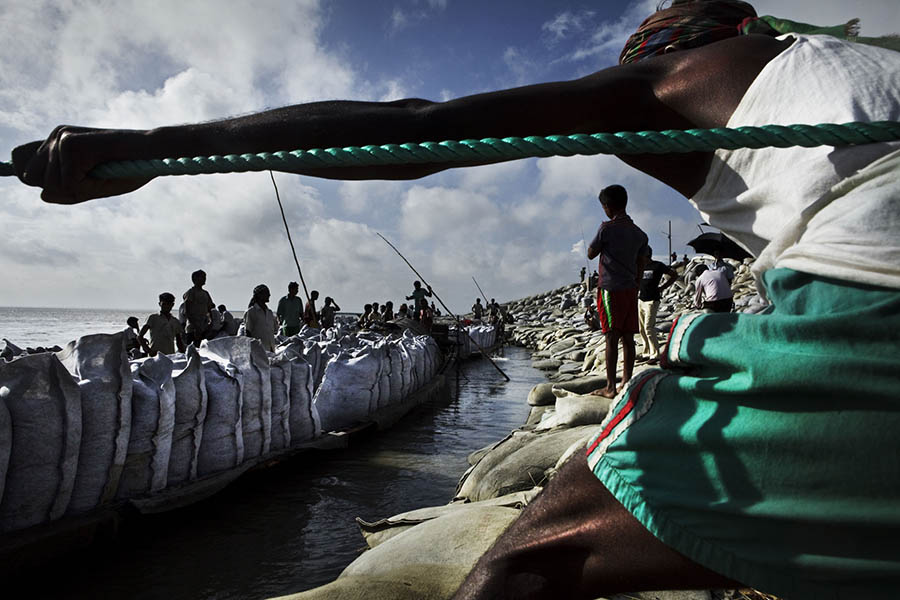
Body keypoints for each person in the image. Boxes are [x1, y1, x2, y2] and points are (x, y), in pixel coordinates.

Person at [12, 2, 900, 596]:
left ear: (679, 44)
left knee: (535, 555)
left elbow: (415, 130)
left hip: (866, 312)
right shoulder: (855, 64)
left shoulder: (688, 76)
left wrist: (150, 146)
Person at [587, 184, 649, 399]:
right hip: (630, 289)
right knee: (628, 337)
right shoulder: (639, 234)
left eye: (604, 206)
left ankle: (611, 387)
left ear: (608, 207)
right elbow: (642, 262)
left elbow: (591, 253)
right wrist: (636, 281)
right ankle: (627, 382)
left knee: (611, 337)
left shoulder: (606, 228)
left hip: (610, 288)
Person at [637, 247, 678, 362]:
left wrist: (663, 287)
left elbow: (674, 275)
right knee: (641, 329)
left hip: (652, 300)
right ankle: (646, 352)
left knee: (649, 327)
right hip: (641, 300)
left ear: (647, 254)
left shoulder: (658, 265)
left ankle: (655, 354)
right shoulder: (639, 266)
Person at [139, 292, 186, 357]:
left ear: (172, 305)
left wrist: (183, 354)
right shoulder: (153, 318)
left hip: (170, 356)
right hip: (155, 356)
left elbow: (179, 341)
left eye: (169, 304)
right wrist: (148, 350)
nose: (166, 306)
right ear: (159, 304)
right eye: (164, 304)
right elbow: (140, 336)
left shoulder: (175, 321)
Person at [182, 269, 214, 345]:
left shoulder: (205, 293)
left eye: (204, 277)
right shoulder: (191, 292)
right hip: (192, 329)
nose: (204, 279)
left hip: (204, 327)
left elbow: (209, 309)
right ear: (195, 279)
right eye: (202, 277)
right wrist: (196, 327)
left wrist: (211, 322)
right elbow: (187, 311)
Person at [244, 284, 277, 352]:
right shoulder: (251, 312)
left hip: (270, 349)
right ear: (259, 295)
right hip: (258, 350)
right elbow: (248, 332)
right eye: (267, 293)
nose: (269, 295)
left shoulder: (269, 312)